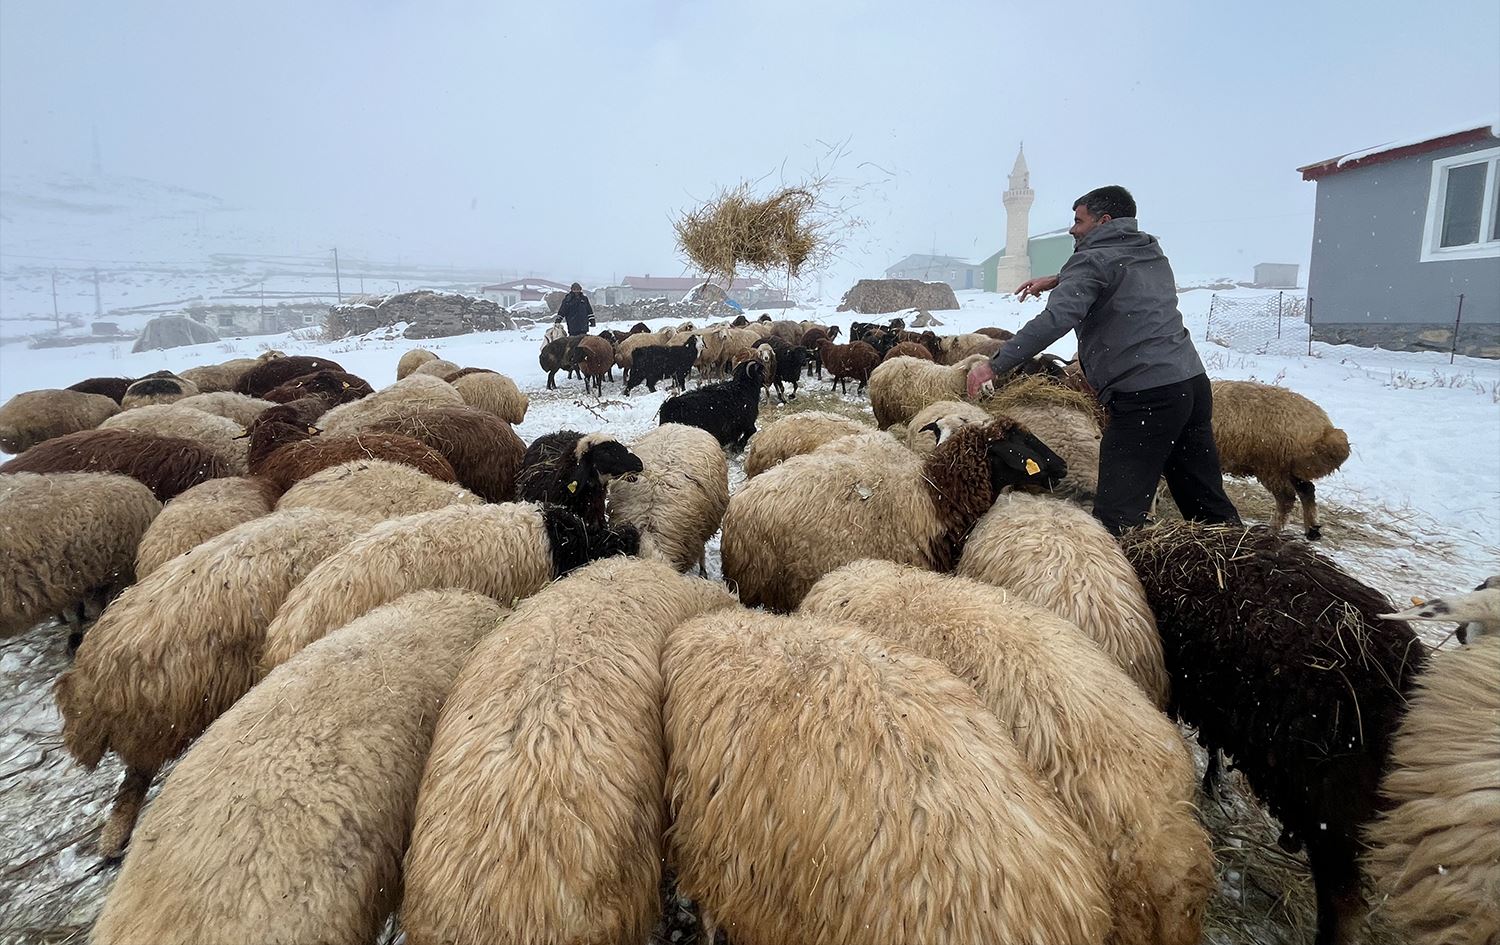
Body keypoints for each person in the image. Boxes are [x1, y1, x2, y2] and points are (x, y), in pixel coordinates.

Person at [966, 185, 1240, 535]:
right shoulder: (1149, 250)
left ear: (1104, 221)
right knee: (1204, 498)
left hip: (1145, 395)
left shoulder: (1091, 259)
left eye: (1079, 221)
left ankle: (1113, 583)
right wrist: (1060, 279)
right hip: (1189, 384)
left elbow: (1056, 320)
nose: (1072, 229)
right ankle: (1241, 568)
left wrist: (995, 363)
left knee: (1116, 515)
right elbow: (1117, 271)